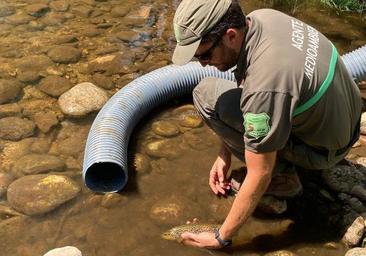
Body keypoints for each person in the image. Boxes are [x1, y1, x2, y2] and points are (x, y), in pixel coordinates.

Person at [172, 0, 362, 250]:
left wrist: (221, 237)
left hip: (323, 151)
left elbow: (259, 171)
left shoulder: (265, 85)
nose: (203, 63)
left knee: (206, 96)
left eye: (204, 54)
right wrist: (225, 151)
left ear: (230, 35)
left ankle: (285, 179)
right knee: (215, 93)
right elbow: (247, 87)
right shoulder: (262, 18)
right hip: (343, 123)